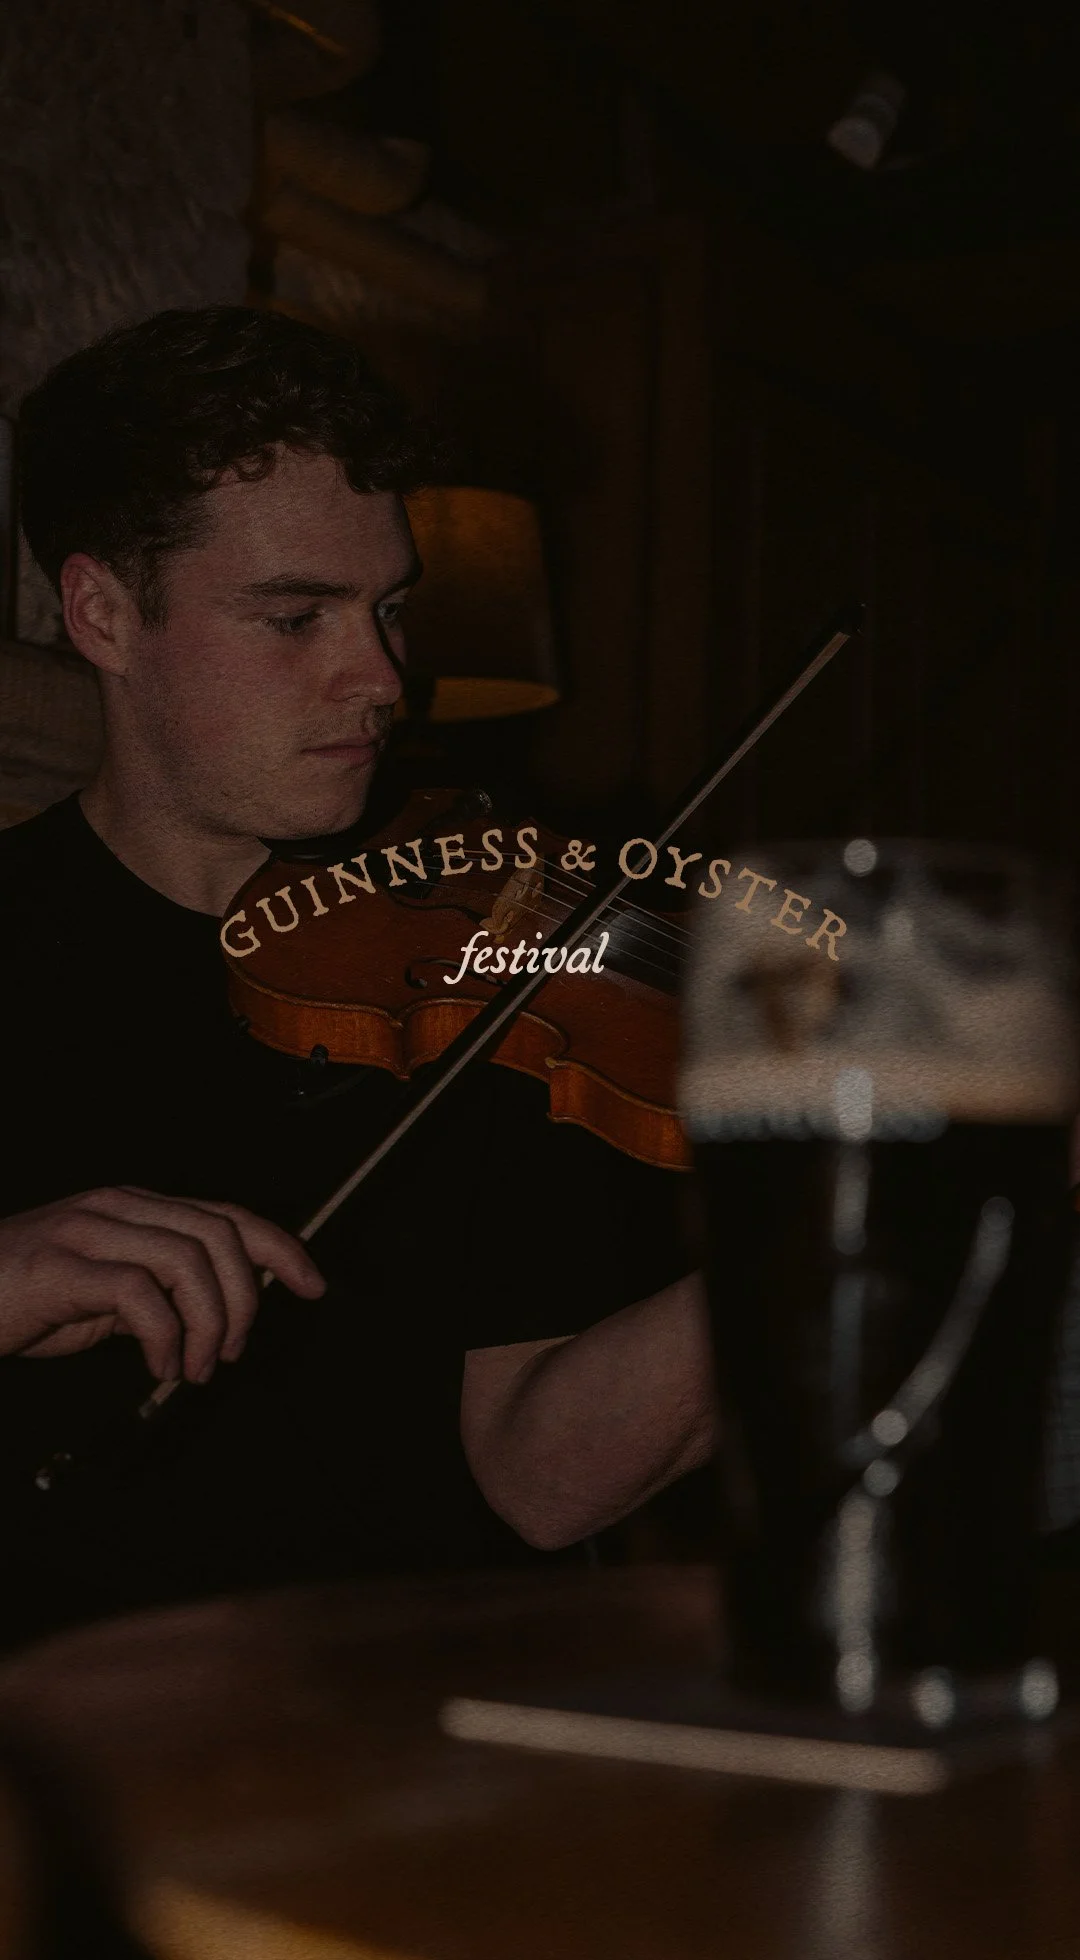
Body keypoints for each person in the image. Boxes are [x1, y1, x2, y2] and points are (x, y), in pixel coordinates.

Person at [0, 307, 715, 1649]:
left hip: (423, 1730)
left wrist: (853, 1215)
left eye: (388, 608)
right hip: (68, 1764)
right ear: (103, 613)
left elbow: (541, 1479)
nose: (382, 677)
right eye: (294, 617)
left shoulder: (487, 953)